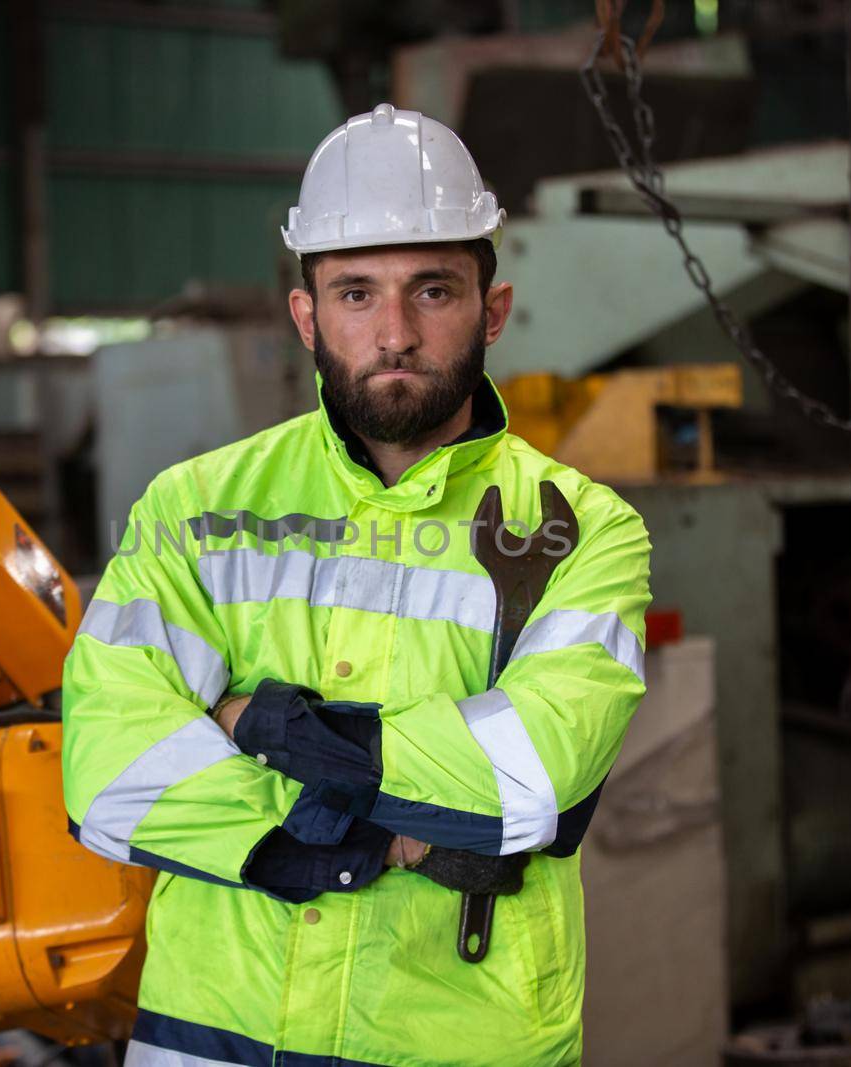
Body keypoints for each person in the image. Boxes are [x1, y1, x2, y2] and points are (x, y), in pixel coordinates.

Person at [62, 103, 651, 1067]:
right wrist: (381, 840)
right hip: (214, 1043)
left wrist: (256, 725)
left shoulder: (586, 531)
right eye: (355, 294)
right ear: (306, 316)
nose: (395, 332)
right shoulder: (197, 509)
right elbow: (111, 768)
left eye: (432, 290)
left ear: (491, 310)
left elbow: (529, 780)